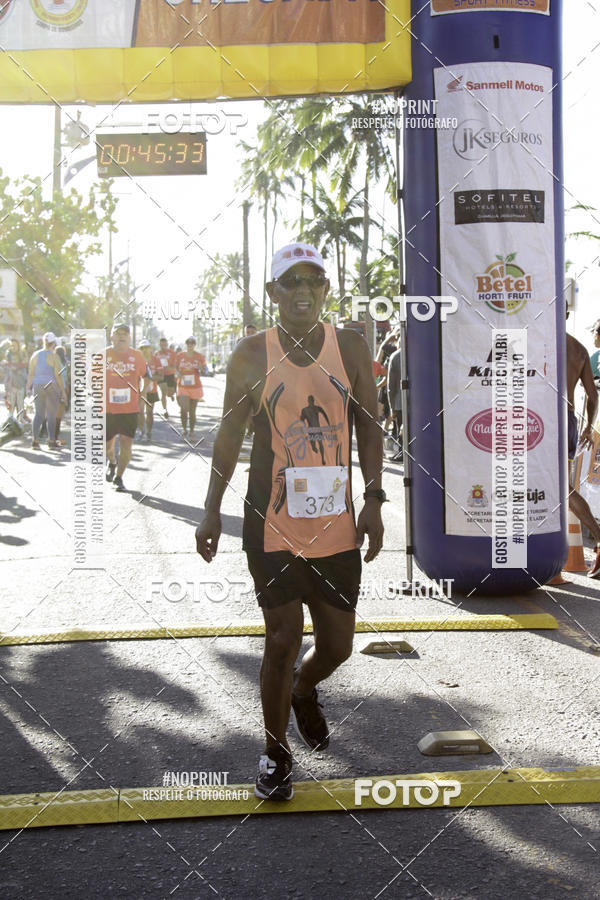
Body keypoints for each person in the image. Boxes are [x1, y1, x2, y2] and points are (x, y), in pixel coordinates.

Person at [195, 241, 384, 801]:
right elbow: (229, 436)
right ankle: (275, 753)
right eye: (290, 283)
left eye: (313, 282)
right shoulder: (252, 353)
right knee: (281, 637)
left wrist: (373, 497)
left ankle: (306, 685)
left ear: (326, 290)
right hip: (271, 521)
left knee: (337, 645)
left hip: (336, 524)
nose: (303, 292)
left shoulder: (349, 346)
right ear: (273, 292)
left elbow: (370, 424)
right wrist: (211, 507)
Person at [566, 328, 600, 577]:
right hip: (567, 418)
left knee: (561, 489)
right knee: (561, 487)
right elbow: (592, 394)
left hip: (541, 418)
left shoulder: (538, 340)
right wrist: (588, 426)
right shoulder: (578, 348)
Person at [105, 323, 149, 492]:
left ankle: (119, 477)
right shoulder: (103, 355)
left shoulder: (137, 356)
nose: (121, 336)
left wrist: (142, 396)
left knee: (126, 444)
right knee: (107, 447)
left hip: (129, 409)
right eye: (118, 333)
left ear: (129, 338)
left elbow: (147, 377)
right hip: (108, 409)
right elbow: (91, 377)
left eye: (125, 333)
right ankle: (112, 462)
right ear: (112, 337)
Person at [26, 332, 67, 450]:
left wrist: (28, 388)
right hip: (51, 386)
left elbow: (31, 374)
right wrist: (63, 391)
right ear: (53, 343)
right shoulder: (54, 356)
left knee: (38, 414)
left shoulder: (35, 355)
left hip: (38, 385)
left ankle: (35, 441)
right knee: (51, 415)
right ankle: (51, 441)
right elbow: (58, 375)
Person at [175, 336, 206, 437]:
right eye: (188, 343)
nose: (190, 345)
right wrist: (177, 373)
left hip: (195, 386)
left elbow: (204, 370)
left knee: (192, 411)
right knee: (184, 409)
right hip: (183, 386)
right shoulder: (180, 355)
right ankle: (184, 429)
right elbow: (174, 367)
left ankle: (191, 430)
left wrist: (201, 368)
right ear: (186, 344)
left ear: (194, 345)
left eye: (192, 343)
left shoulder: (199, 356)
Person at [138, 339, 159, 443]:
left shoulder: (156, 360)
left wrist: (151, 378)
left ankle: (149, 432)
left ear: (150, 348)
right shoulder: (136, 360)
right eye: (142, 348)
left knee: (149, 413)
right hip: (139, 390)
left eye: (146, 347)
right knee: (139, 412)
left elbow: (161, 376)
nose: (144, 350)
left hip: (151, 390)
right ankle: (142, 430)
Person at [4, 337, 28, 424]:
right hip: (11, 383)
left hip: (20, 381)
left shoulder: (22, 353)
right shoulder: (8, 354)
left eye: (14, 345)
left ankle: (20, 419)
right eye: (11, 345)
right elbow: (6, 367)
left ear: (18, 345)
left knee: (20, 402)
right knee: (11, 403)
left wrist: (16, 367)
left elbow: (25, 364)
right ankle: (10, 421)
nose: (13, 347)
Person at [387, 341, 403, 462]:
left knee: (401, 428)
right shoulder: (419, 354)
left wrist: (391, 406)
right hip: (418, 402)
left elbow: (391, 385)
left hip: (400, 401)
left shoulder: (395, 356)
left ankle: (403, 453)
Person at [152, 337, 177, 418]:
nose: (163, 346)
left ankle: (171, 395)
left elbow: (175, 366)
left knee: (169, 393)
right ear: (159, 345)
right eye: (161, 345)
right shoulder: (156, 354)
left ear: (167, 345)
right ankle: (165, 410)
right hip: (161, 375)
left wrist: (169, 368)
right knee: (163, 392)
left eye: (165, 345)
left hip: (170, 374)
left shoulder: (172, 353)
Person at [53, 339, 70, 446]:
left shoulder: (53, 362)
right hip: (62, 389)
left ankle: (53, 437)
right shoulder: (65, 364)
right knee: (58, 415)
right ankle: (55, 438)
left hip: (52, 389)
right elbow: (68, 377)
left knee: (53, 414)